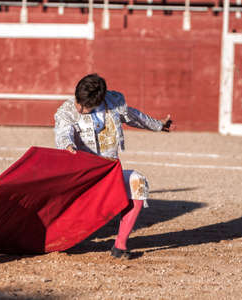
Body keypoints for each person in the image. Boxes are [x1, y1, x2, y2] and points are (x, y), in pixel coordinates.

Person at [54, 73, 172, 259]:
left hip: (109, 173)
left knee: (137, 184)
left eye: (84, 105)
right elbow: (63, 133)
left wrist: (157, 125)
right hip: (83, 176)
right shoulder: (67, 111)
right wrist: (68, 146)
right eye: (78, 101)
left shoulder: (113, 103)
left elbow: (133, 116)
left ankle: (120, 246)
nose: (79, 107)